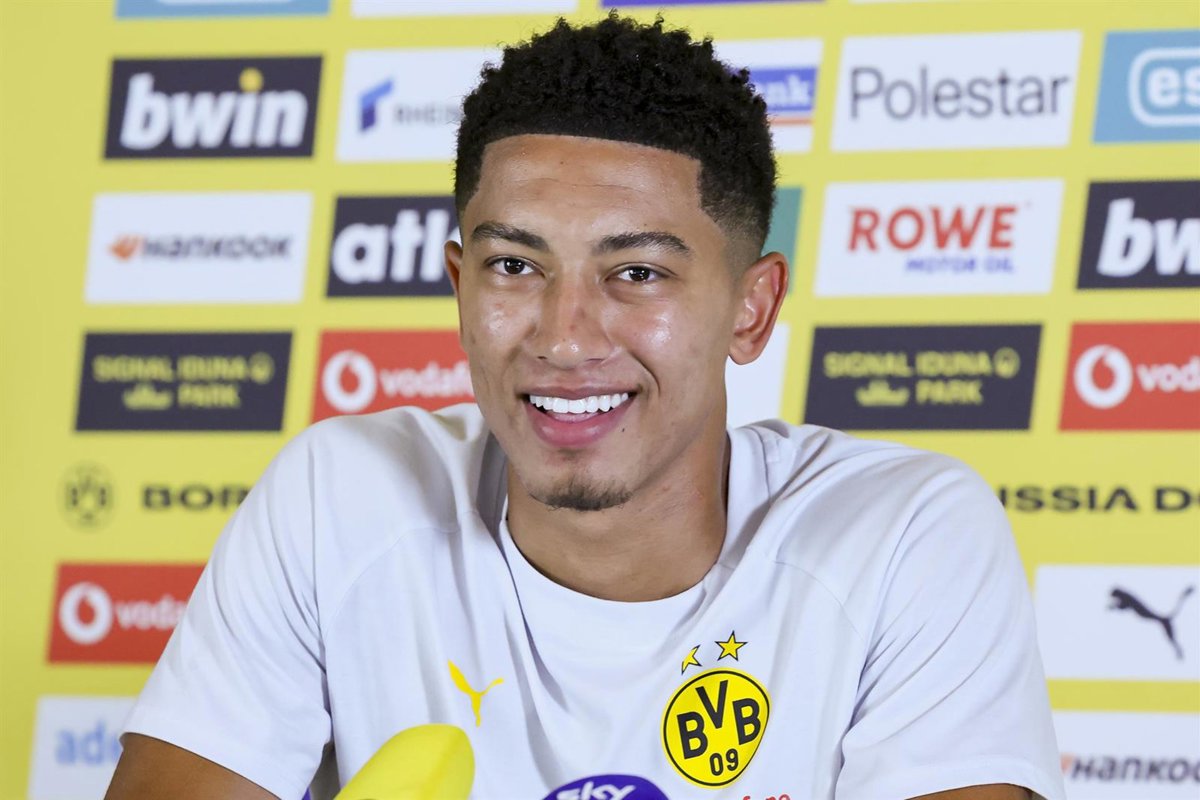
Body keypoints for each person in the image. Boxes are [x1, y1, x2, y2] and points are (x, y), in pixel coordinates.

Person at [106, 14, 1064, 800]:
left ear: (751, 308)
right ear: (459, 287)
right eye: (515, 265)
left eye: (636, 272)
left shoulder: (902, 533)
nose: (565, 339)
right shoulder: (338, 495)